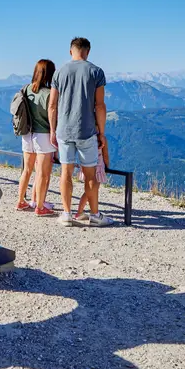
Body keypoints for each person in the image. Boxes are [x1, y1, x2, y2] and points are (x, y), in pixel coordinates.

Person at [48, 37, 116, 227]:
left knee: (65, 174)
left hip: (64, 131)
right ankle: (95, 215)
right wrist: (101, 133)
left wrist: (53, 130)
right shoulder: (96, 72)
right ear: (88, 51)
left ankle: (67, 214)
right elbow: (100, 106)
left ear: (71, 51)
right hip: (86, 132)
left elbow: (52, 105)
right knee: (90, 175)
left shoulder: (59, 72)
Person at [16, 59, 57, 216]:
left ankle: (20, 201)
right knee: (42, 173)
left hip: (27, 133)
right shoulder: (49, 94)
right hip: (44, 135)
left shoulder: (26, 89)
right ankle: (40, 207)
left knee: (26, 170)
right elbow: (53, 114)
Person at [75, 137, 108, 222]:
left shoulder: (85, 138)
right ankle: (91, 213)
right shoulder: (102, 139)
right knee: (92, 190)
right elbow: (106, 155)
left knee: (88, 190)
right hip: (98, 167)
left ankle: (80, 212)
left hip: (86, 167)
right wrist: (107, 167)